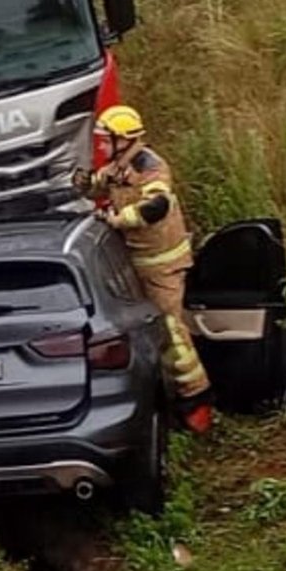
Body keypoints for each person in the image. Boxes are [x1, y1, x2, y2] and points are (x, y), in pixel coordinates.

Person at [88, 105, 214, 430]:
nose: (100, 147)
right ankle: (166, 394)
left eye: (105, 140)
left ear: (124, 140)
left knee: (172, 333)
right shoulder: (118, 166)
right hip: (136, 264)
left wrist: (119, 220)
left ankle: (195, 401)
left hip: (163, 266)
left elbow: (156, 205)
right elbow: (96, 185)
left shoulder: (151, 168)